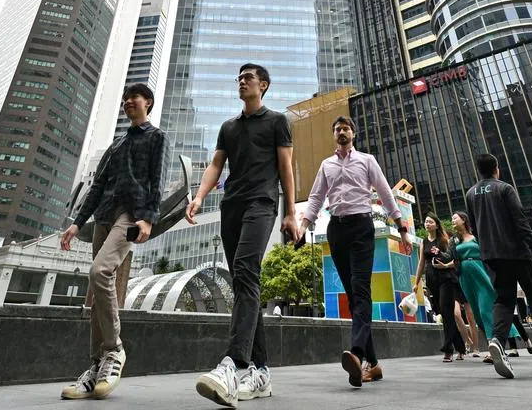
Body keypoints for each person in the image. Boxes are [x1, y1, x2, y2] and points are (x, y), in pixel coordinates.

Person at [187, 63, 299, 406]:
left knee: (247, 271)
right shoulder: (228, 127)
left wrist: (291, 212)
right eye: (239, 78)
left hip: (262, 203)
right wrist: (199, 197)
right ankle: (260, 371)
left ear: (263, 85)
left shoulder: (277, 121)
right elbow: (216, 165)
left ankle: (233, 365)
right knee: (244, 282)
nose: (241, 81)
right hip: (231, 206)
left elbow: (286, 166)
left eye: (248, 77)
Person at [58, 84, 167, 400]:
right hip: (103, 216)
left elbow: (157, 180)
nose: (128, 102)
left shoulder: (157, 137)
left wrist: (148, 218)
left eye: (134, 97)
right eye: (125, 99)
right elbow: (97, 186)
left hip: (131, 214)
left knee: (100, 272)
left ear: (147, 103)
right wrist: (77, 223)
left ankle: (114, 349)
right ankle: (96, 367)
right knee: (97, 291)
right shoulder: (116, 145)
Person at [300, 116, 413, 387]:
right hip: (337, 230)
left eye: (346, 128)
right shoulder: (326, 165)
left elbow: (385, 193)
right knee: (353, 295)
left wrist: (402, 228)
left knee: (361, 289)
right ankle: (373, 365)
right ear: (334, 134)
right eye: (337, 129)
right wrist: (303, 226)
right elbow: (316, 197)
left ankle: (357, 354)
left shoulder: (367, 160)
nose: (341, 132)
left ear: (353, 133)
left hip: (362, 226)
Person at [466, 153, 532, 378]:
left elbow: (474, 227)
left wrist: (487, 249)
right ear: (497, 168)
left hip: (491, 256)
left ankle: (497, 340)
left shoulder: (471, 193)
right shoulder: (505, 188)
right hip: (517, 254)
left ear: (479, 170)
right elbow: (520, 221)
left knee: (503, 300)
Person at [449, 210, 521, 363]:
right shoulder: (454, 241)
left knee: (485, 309)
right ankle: (496, 345)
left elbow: (487, 253)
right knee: (477, 312)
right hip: (465, 278)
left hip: (481, 273)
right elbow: (453, 260)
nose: (452, 221)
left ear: (464, 220)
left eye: (455, 218)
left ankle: (494, 348)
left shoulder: (476, 236)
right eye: (452, 219)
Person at [413, 212, 466, 362]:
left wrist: (443, 262)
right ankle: (461, 347)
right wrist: (416, 282)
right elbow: (421, 263)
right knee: (445, 313)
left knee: (446, 310)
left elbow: (452, 258)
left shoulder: (444, 239)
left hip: (446, 279)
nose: (427, 224)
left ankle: (448, 350)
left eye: (430, 222)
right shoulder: (424, 242)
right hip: (432, 280)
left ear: (436, 225)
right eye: (426, 222)